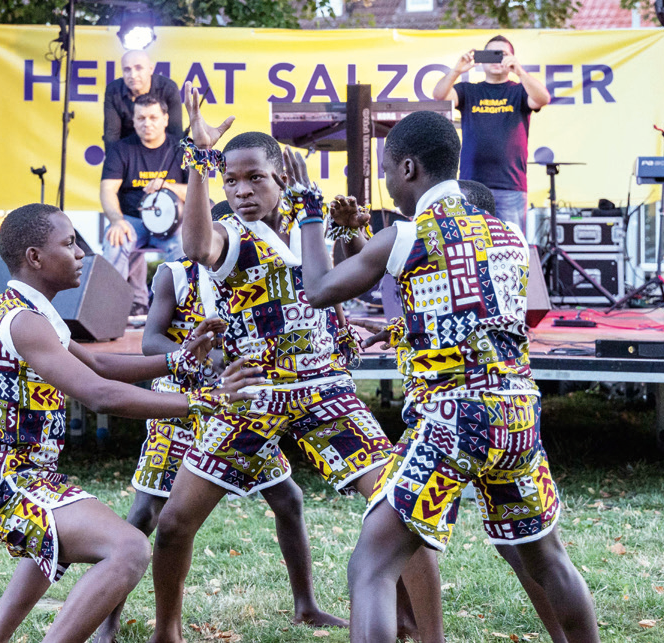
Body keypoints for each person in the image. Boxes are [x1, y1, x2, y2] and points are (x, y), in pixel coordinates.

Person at [146, 83, 444, 643]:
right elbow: (193, 246)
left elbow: (354, 274)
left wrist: (352, 231)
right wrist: (199, 161)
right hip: (254, 396)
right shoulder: (232, 238)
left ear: (281, 176)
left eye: (253, 176)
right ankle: (168, 631)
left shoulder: (313, 217)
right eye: (230, 180)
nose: (240, 190)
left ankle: (421, 631)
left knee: (403, 509)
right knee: (173, 525)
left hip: (327, 390)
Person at [297, 110, 599, 643]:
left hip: (451, 420)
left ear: (409, 167)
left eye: (388, 172)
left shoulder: (408, 236)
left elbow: (320, 289)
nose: (388, 184)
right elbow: (465, 319)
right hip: (517, 417)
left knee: (371, 566)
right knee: (546, 559)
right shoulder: (506, 235)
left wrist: (309, 213)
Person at [0, 203, 262, 643]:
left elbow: (98, 365)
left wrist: (177, 357)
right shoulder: (24, 322)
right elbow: (97, 394)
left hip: (17, 474)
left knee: (51, 545)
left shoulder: (30, 311)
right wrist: (202, 401)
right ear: (35, 257)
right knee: (130, 548)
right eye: (68, 243)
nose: (81, 253)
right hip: (2, 479)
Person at [93, 256, 347, 643]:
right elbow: (150, 342)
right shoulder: (176, 274)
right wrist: (209, 357)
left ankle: (306, 606)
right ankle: (107, 623)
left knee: (288, 497)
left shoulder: (262, 275)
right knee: (146, 514)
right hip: (181, 407)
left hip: (239, 411)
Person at [432, 35, 551, 234]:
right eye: (491, 54)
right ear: (481, 60)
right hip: (471, 184)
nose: (497, 60)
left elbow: (542, 98)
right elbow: (439, 96)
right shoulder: (469, 91)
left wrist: (519, 71)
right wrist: (456, 71)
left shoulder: (520, 91)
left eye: (502, 55)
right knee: (470, 245)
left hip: (510, 185)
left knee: (511, 246)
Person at [101, 93, 189, 315]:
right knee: (115, 241)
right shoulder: (121, 149)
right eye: (140, 118)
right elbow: (108, 189)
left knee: (183, 243)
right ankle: (112, 312)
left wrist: (167, 186)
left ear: (165, 119)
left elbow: (197, 193)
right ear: (133, 120)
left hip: (172, 223)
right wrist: (116, 221)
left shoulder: (181, 149)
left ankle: (176, 312)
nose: (146, 123)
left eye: (153, 117)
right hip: (134, 220)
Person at [103, 49, 183, 147]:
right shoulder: (114, 90)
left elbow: (175, 132)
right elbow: (111, 135)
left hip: (161, 151)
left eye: (138, 68)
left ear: (151, 69)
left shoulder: (168, 88)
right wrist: (114, 161)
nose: (133, 75)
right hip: (126, 150)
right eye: (127, 69)